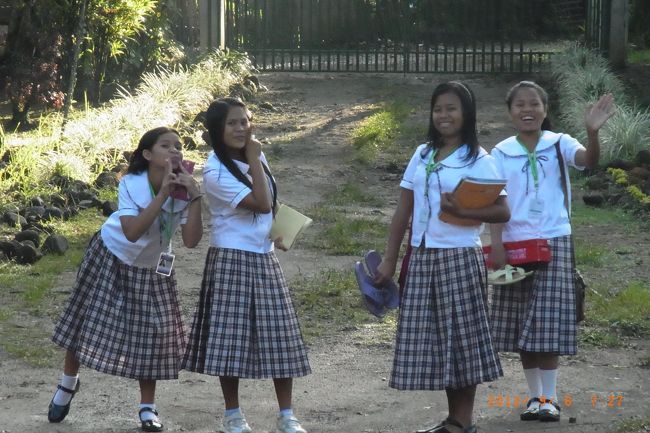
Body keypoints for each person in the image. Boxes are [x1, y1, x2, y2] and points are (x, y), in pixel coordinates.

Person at [374, 81, 510, 433]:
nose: (443, 115)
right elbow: (403, 211)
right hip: (421, 258)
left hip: (458, 258)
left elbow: (502, 212)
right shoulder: (422, 153)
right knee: (437, 339)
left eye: (451, 109)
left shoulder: (480, 159)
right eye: (438, 109)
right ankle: (453, 420)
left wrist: (463, 209)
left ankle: (463, 421)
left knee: (462, 339)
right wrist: (391, 258)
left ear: (466, 114)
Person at [47, 127, 203, 432]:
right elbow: (132, 232)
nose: (175, 151)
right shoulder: (132, 183)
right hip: (113, 253)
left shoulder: (185, 191)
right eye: (166, 146)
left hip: (152, 267)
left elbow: (192, 241)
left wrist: (195, 197)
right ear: (147, 155)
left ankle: (148, 408)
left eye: (179, 146)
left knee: (154, 334)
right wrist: (163, 196)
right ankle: (68, 384)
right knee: (84, 318)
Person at [487, 81, 614, 422]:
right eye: (520, 105)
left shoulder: (560, 143)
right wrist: (495, 243)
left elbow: (589, 161)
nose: (527, 110)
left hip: (555, 241)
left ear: (545, 110)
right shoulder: (499, 153)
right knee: (522, 324)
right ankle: (534, 397)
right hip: (515, 245)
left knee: (548, 323)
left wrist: (592, 132)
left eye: (534, 104)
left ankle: (550, 398)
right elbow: (495, 201)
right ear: (510, 112)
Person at [182, 98, 311, 433]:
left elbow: (271, 201)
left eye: (246, 121)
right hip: (231, 257)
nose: (242, 129)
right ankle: (233, 415)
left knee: (281, 335)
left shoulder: (256, 157)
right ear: (216, 131)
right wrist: (254, 158)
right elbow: (259, 201)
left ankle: (287, 415)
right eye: (233, 123)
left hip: (263, 254)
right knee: (230, 339)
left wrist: (280, 230)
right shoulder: (214, 171)